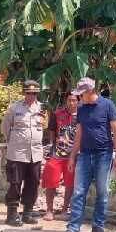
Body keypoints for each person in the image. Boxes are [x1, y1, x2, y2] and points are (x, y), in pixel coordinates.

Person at [59, 78, 116, 232]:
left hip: (104, 155)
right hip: (85, 155)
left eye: (81, 94)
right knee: (79, 192)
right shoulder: (81, 108)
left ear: (90, 91)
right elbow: (79, 132)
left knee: (102, 192)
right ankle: (73, 228)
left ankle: (98, 226)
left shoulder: (107, 105)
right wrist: (73, 156)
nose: (79, 98)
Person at [1, 80, 46, 226]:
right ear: (24, 93)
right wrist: (13, 142)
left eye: (34, 93)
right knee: (15, 183)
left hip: (36, 153)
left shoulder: (42, 108)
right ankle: (12, 214)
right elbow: (5, 128)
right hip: (17, 153)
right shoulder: (14, 108)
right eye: (28, 93)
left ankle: (27, 212)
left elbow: (44, 127)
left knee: (33, 182)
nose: (31, 96)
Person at [42, 92, 78, 221]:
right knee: (51, 181)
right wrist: (52, 145)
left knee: (70, 184)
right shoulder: (57, 114)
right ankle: (49, 210)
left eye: (74, 100)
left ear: (78, 101)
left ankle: (64, 210)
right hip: (57, 154)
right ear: (66, 100)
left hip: (73, 156)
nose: (72, 103)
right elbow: (52, 130)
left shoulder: (82, 115)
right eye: (69, 100)